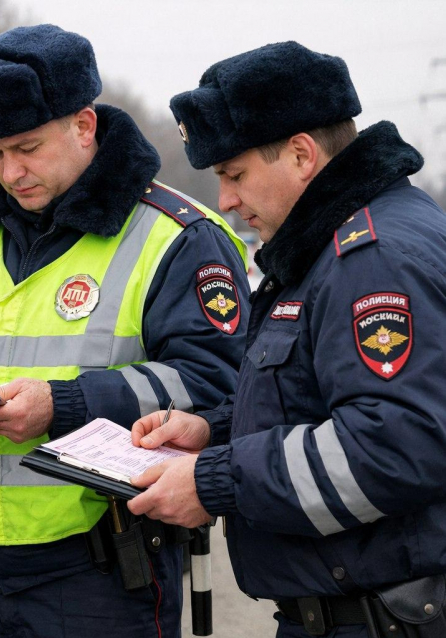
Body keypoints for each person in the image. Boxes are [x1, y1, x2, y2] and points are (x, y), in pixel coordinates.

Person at [0, 24, 250, 638]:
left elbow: (216, 383)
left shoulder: (177, 237)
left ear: (84, 126)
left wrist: (62, 404)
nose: (10, 172)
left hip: (101, 572)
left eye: (27, 147)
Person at [128, 41, 446, 638]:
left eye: (234, 174)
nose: (224, 199)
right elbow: (318, 402)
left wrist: (214, 480)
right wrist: (211, 432)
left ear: (301, 155)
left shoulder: (371, 259)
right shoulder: (330, 248)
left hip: (378, 620)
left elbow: (394, 446)